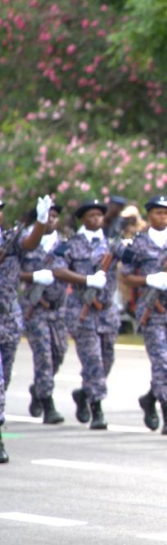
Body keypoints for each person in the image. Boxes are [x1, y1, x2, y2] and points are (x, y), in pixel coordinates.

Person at [54, 198, 124, 431]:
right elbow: (58, 270)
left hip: (106, 312)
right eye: (91, 215)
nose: (96, 219)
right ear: (82, 219)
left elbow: (134, 257)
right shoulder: (71, 244)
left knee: (106, 360)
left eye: (99, 215)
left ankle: (84, 393)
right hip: (82, 312)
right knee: (92, 360)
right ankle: (97, 409)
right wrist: (86, 279)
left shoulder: (111, 244)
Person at [120, 195, 167, 436]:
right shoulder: (137, 242)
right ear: (150, 215)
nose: (163, 217)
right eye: (158, 213)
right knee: (160, 363)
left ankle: (150, 399)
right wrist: (148, 280)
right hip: (151, 309)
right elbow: (126, 275)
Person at [0, 195, 51, 463]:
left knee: (4, 379)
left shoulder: (11, 241)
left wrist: (41, 222)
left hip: (8, 320)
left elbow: (30, 242)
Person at [19, 202, 68, 425]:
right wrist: (33, 277)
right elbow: (12, 270)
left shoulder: (64, 244)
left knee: (59, 353)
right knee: (44, 356)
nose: (51, 220)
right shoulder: (25, 242)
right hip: (35, 308)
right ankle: (48, 403)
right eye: (47, 216)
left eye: (54, 216)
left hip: (59, 310)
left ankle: (38, 387)